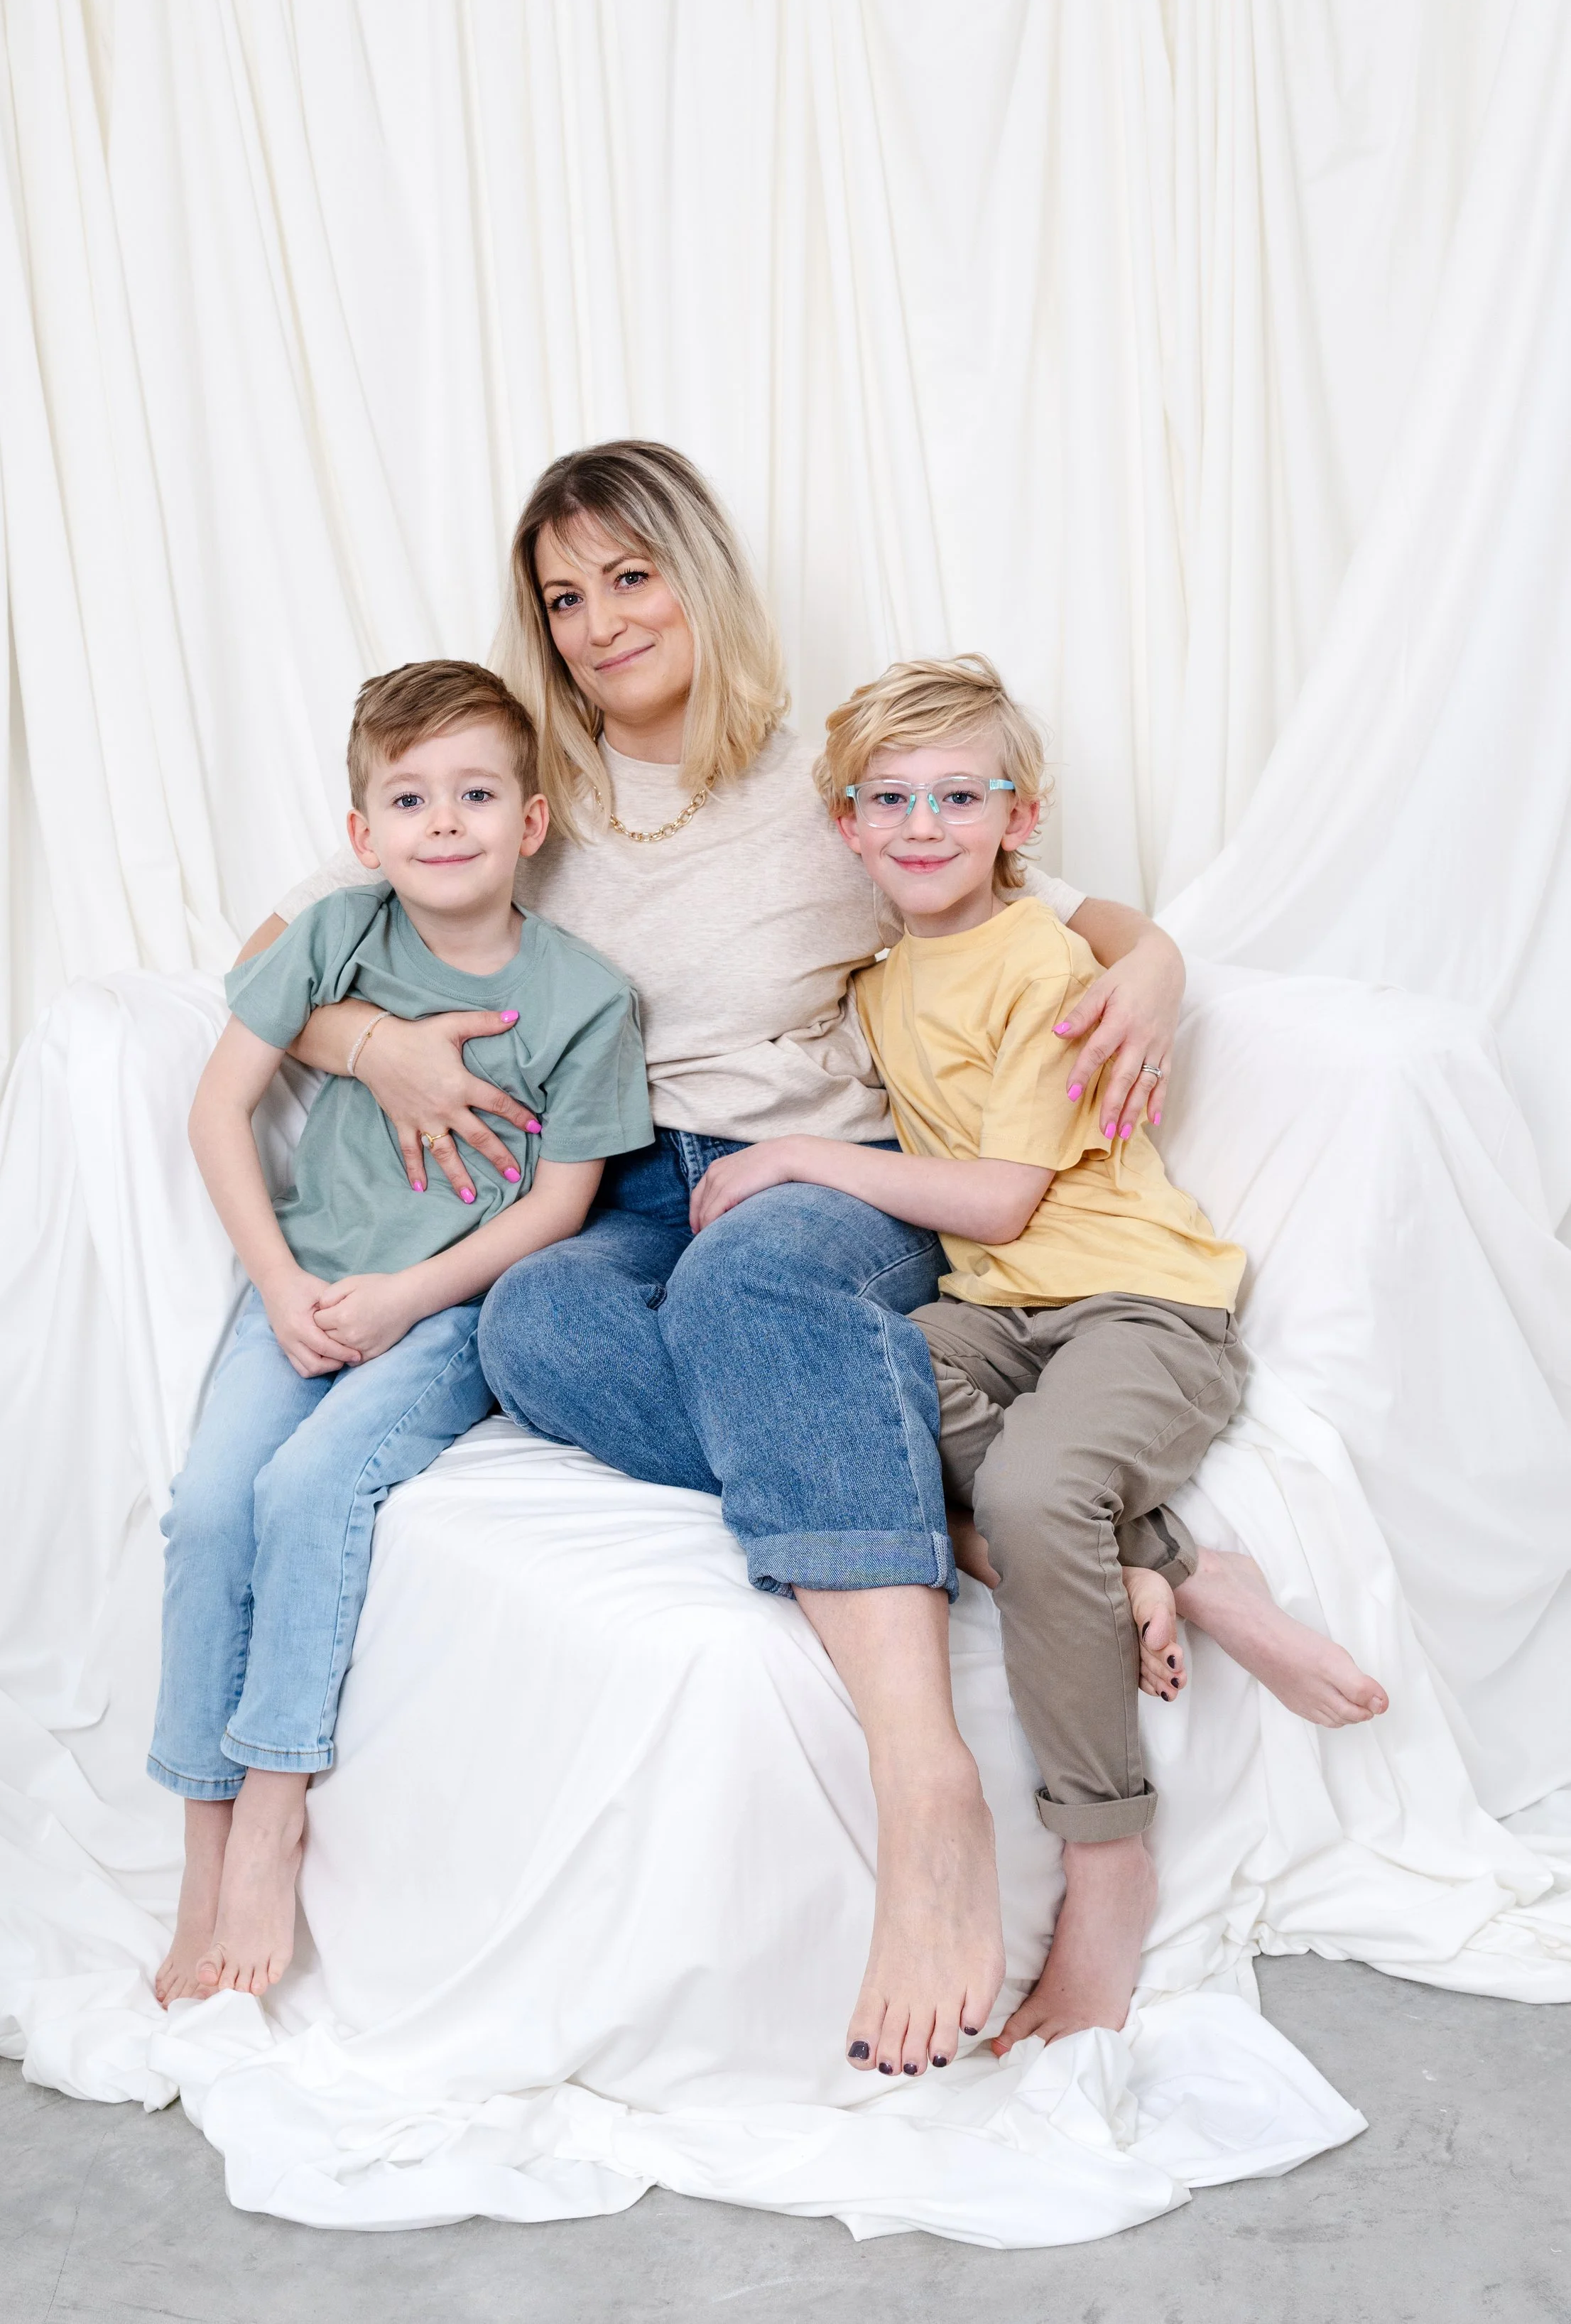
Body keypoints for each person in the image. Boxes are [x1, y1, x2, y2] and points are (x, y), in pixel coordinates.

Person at [238, 441, 1188, 2078]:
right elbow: (269, 962)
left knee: (749, 1288)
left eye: (630, 577)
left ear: (698, 577)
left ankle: (926, 1787)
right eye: (563, 597)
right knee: (534, 1324)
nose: (600, 622)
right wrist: (372, 1045)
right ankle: (958, 1523)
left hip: (819, 1181)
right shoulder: (528, 792)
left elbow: (1071, 910)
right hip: (616, 1186)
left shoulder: (823, 782)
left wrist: (1155, 966)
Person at [688, 653, 1390, 2057]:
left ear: (1021, 816)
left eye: (959, 796)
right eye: (887, 798)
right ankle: (1179, 1570)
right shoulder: (882, 979)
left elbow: (1002, 1197)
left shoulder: (1042, 961)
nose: (921, 824)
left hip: (1139, 1305)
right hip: (997, 1316)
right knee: (863, 1393)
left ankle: (1106, 1864)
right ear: (843, 824)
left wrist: (790, 1157)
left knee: (1022, 1493)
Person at [150, 661, 651, 2005]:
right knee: (211, 1507)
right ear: (363, 833)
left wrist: (405, 1300)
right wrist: (278, 1285)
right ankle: (200, 1845)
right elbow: (217, 1109)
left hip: (449, 1312)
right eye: (410, 798)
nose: (444, 823)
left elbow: (560, 1204)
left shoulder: (586, 998)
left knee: (313, 1486)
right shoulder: (335, 939)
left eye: (476, 795)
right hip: (305, 1285)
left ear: (530, 823)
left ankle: (273, 1807)